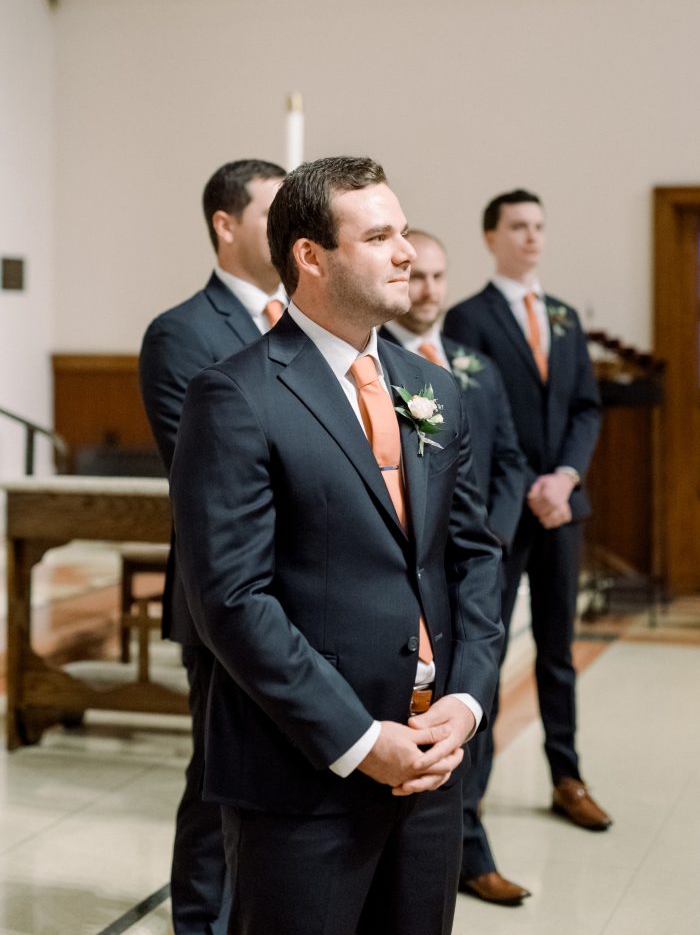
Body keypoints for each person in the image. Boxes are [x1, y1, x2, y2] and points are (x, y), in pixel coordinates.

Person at [169, 157, 504, 935]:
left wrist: (467, 698)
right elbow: (231, 598)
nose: (407, 254)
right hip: (304, 776)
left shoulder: (434, 390)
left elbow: (472, 554)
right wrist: (357, 738)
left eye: (402, 232)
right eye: (379, 235)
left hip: (430, 764)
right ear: (310, 256)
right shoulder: (236, 394)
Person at [139, 158, 286, 935]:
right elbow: (209, 477)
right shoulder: (182, 333)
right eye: (273, 211)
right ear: (226, 225)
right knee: (218, 777)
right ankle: (198, 922)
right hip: (224, 593)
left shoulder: (307, 318)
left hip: (303, 591)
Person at [443, 189, 612, 844]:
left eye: (539, 226)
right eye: (519, 226)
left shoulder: (565, 317)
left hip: (560, 506)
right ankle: (470, 794)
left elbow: (586, 409)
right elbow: (470, 419)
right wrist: (521, 490)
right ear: (492, 237)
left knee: (557, 648)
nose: (533, 237)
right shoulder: (468, 319)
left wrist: (564, 478)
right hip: (499, 513)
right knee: (484, 649)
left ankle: (566, 774)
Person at [382, 228, 531, 906]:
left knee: (475, 705)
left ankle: (469, 841)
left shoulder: (473, 368)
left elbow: (509, 462)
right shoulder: (373, 366)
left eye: (439, 276)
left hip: (473, 568)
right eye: (417, 275)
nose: (429, 289)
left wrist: (486, 543)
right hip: (406, 587)